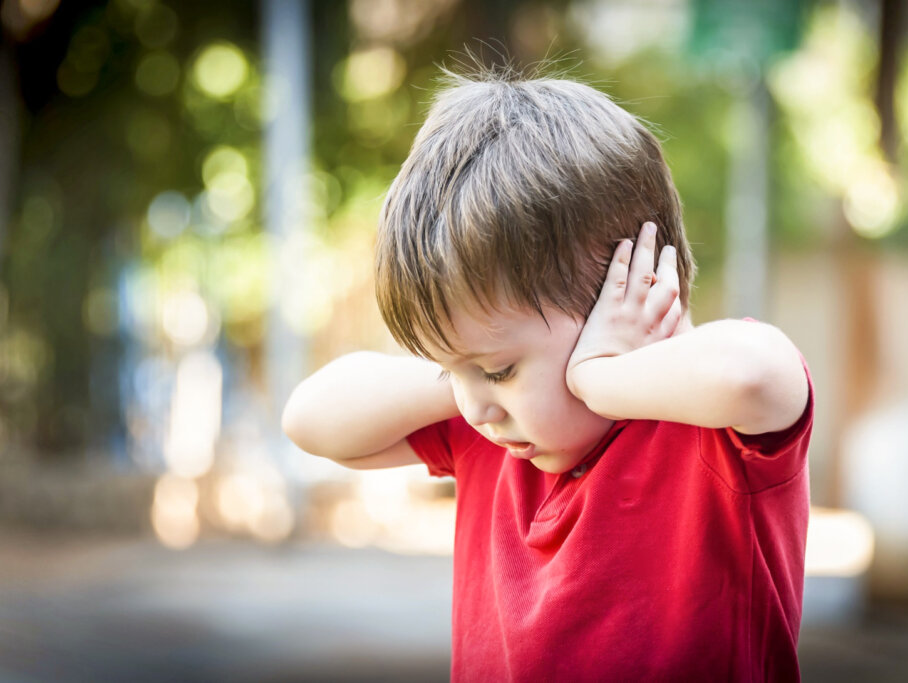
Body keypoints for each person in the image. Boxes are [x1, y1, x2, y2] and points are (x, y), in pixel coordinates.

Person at [281, 66, 814, 682]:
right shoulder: (491, 430)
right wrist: (469, 369)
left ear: (629, 291)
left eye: (501, 369)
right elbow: (309, 419)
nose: (477, 407)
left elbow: (757, 374)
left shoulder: (713, 435)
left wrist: (598, 377)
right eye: (455, 372)